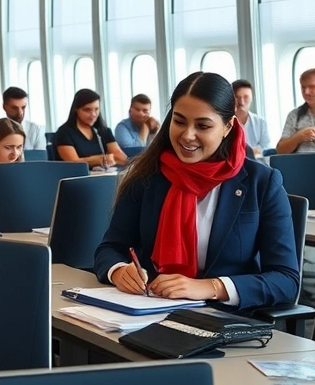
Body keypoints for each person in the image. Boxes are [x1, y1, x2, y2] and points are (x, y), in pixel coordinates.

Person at [94, 72, 299, 309]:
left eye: (203, 126)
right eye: (179, 121)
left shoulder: (261, 182)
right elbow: (109, 248)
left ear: (227, 126)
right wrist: (119, 271)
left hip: (227, 317)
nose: (188, 135)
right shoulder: (147, 176)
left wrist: (211, 287)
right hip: (149, 308)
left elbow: (286, 280)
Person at [55, 89, 128, 169]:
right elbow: (74, 163)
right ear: (76, 109)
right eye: (87, 110)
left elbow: (122, 159)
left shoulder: (104, 131)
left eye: (96, 109)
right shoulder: (64, 133)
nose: (93, 114)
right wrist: (100, 159)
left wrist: (87, 160)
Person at [232, 79, 270, 158]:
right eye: (237, 97)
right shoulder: (223, 123)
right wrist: (249, 151)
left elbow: (265, 148)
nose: (241, 102)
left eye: (246, 97)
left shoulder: (261, 122)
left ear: (252, 97)